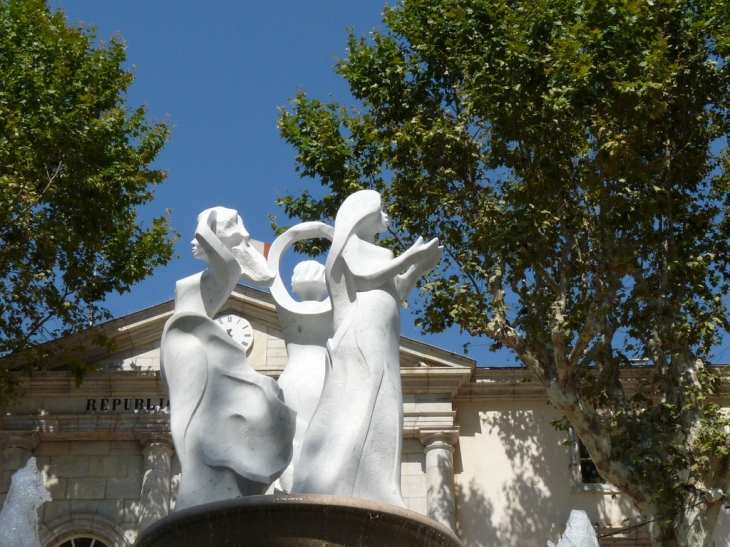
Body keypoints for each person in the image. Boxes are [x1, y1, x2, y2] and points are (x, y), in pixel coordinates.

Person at [292, 190, 442, 507]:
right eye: (381, 210)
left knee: (386, 403)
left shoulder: (376, 249)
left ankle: (378, 485)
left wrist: (417, 270)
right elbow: (361, 280)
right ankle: (347, 483)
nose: (386, 217)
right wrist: (407, 259)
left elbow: (394, 288)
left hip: (383, 334)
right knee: (365, 398)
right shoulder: (349, 244)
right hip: (362, 331)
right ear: (365, 213)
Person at [160, 207, 295, 511]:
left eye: (203, 232)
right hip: (183, 348)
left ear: (216, 238)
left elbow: (242, 266)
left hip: (199, 348)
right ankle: (199, 490)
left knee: (196, 426)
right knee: (186, 427)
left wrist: (216, 223)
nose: (194, 238)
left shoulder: (226, 272)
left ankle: (206, 493)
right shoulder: (189, 282)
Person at [267, 222, 334, 494]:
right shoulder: (338, 304)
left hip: (293, 379)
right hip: (326, 376)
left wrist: (302, 231)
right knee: (325, 438)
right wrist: (331, 233)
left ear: (293, 284)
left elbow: (273, 260)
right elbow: (348, 268)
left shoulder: (286, 304)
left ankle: (288, 495)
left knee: (291, 440)